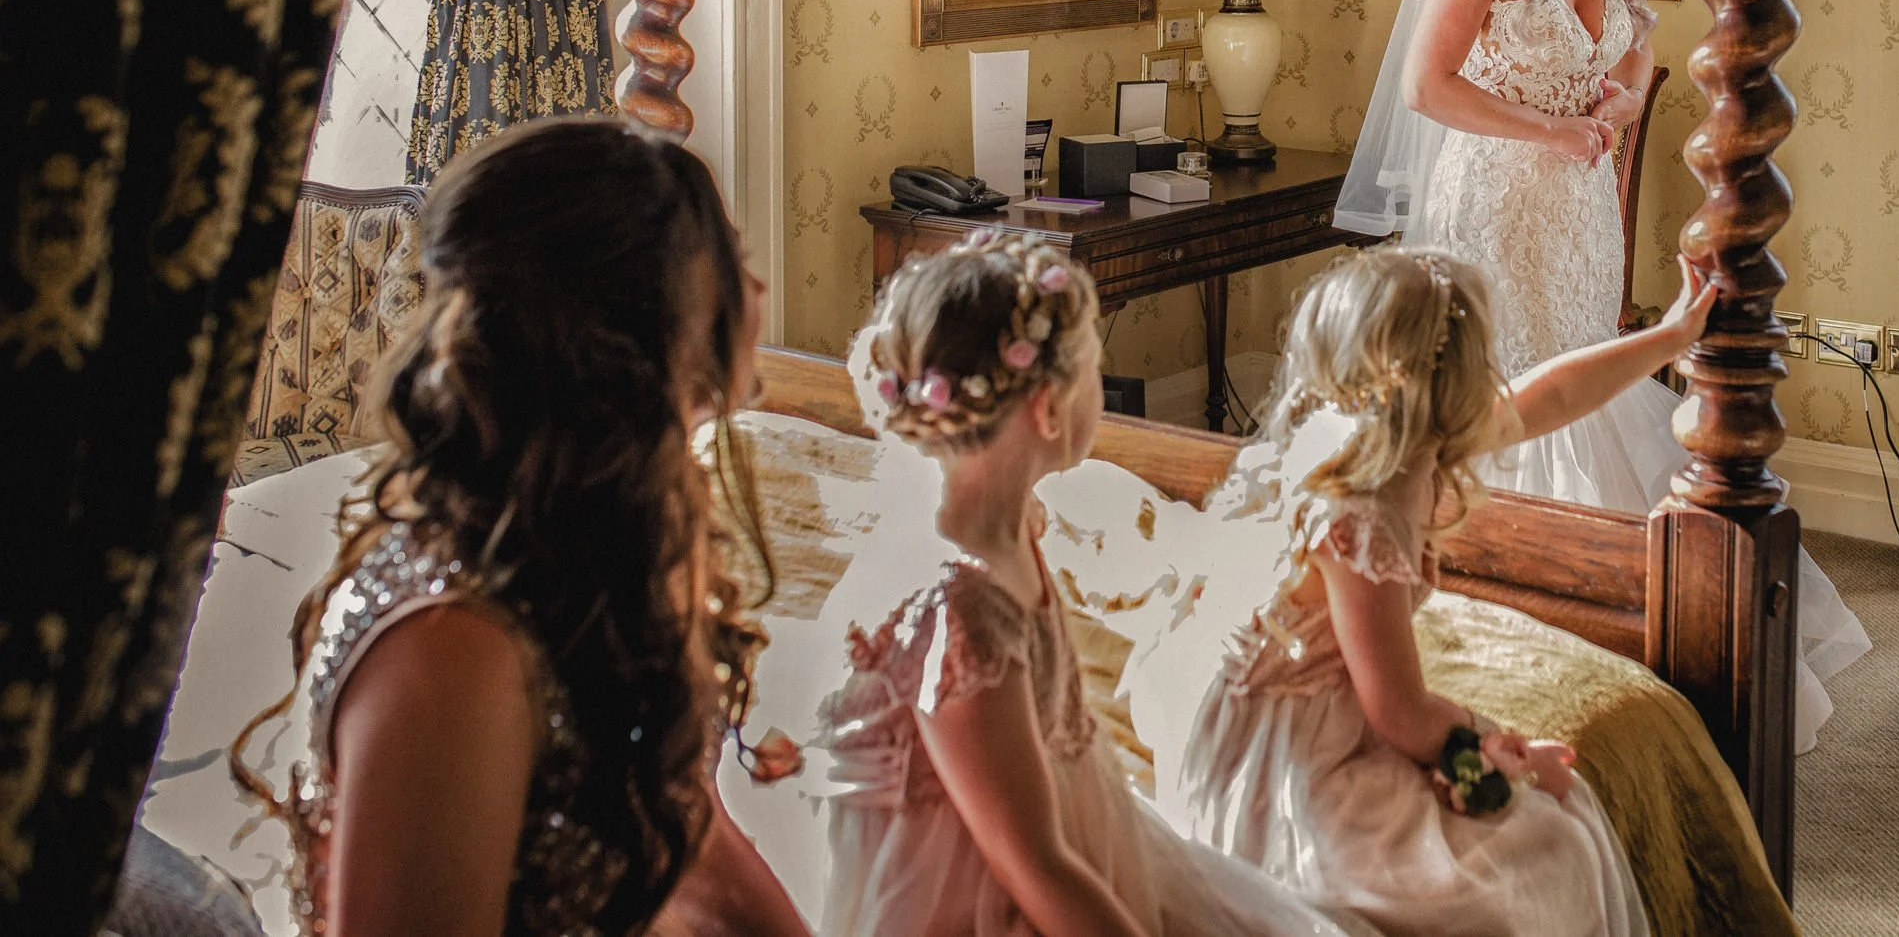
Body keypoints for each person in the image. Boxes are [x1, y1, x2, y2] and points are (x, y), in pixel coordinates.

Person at [1336, 0, 1868, 747]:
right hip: (1494, 199)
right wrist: (1544, 132)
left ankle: (1651, 651)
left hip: (1579, 205)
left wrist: (1621, 102)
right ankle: (1522, 634)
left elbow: (1635, 47)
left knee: (1587, 373)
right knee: (1517, 394)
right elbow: (1425, 85)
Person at [230, 117, 810, 937]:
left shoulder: (624, 522)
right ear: (629, 332)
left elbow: (684, 825)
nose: (757, 292)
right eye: (735, 263)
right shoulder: (452, 650)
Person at [1133, 245, 1714, 937]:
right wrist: (1497, 742)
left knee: (1555, 820)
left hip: (1322, 710)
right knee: (1540, 847)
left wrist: (1672, 337)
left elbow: (1553, 396)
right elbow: (1399, 710)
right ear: (1444, 381)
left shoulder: (1404, 440)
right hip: (1285, 758)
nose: (1495, 378)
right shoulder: (1359, 507)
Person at [825, 235, 1364, 937]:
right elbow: (1037, 864)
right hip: (981, 875)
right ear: (1048, 410)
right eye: (1094, 372)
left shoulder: (1016, 516)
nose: (1103, 389)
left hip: (1063, 807)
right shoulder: (958, 617)